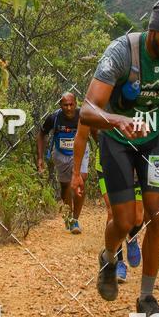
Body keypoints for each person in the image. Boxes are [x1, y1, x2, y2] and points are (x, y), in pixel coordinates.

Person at [72, 0, 159, 317]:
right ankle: (107, 257)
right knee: (125, 219)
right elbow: (87, 110)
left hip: (157, 138)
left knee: (157, 214)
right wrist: (117, 120)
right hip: (116, 140)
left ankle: (146, 298)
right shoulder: (121, 52)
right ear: (153, 30)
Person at [37, 92, 90, 233]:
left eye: (71, 104)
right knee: (66, 186)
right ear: (60, 105)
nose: (68, 107)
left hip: (81, 151)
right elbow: (42, 134)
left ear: (76, 104)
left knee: (81, 179)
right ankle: (68, 214)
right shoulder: (54, 118)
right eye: (65, 105)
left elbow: (95, 132)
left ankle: (75, 220)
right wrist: (40, 158)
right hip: (61, 154)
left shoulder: (82, 116)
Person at [94, 143, 143, 283]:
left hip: (136, 168)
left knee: (138, 218)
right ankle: (119, 263)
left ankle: (131, 237)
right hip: (108, 164)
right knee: (113, 212)